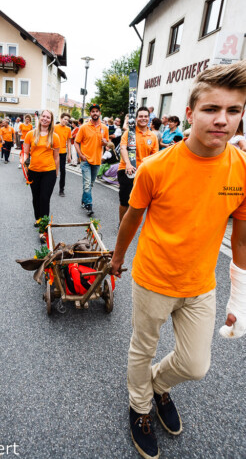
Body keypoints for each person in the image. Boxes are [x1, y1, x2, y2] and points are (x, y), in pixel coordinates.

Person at [110, 61, 246, 459]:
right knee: (143, 349)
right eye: (211, 109)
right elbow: (131, 219)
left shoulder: (241, 169)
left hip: (201, 286)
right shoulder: (155, 168)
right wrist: (117, 262)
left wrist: (239, 298)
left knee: (195, 364)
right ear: (190, 113)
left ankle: (155, 384)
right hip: (153, 279)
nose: (222, 120)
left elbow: (240, 240)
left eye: (234, 110)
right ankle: (139, 407)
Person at [21, 110, 60, 243]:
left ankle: (44, 230)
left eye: (48, 117)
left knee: (44, 198)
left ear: (51, 120)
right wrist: (23, 160)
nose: (45, 119)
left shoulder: (54, 136)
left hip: (49, 171)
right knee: (36, 198)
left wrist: (56, 174)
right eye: (43, 116)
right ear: (40, 118)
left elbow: (56, 158)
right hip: (33, 171)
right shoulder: (30, 134)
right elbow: (25, 153)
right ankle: (38, 219)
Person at [117, 107, 159, 224]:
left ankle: (131, 224)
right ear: (136, 118)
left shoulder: (153, 136)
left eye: (146, 116)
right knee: (125, 201)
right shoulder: (129, 133)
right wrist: (128, 164)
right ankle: (122, 225)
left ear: (149, 118)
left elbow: (154, 156)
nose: (143, 118)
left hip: (143, 172)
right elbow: (123, 148)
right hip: (126, 170)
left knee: (139, 203)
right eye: (140, 116)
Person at [74, 103, 109, 216]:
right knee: (87, 184)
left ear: (99, 113)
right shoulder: (84, 127)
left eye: (96, 111)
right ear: (90, 113)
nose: (95, 113)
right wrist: (80, 155)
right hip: (85, 160)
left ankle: (84, 200)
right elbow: (76, 142)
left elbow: (107, 144)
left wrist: (106, 144)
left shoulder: (104, 128)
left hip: (97, 161)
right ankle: (89, 205)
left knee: (91, 184)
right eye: (93, 111)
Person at [54, 112, 71, 196]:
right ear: (61, 119)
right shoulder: (54, 127)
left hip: (63, 152)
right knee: (52, 170)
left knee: (63, 171)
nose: (66, 121)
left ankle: (61, 190)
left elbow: (68, 142)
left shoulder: (68, 129)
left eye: (68, 120)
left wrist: (69, 155)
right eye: (65, 119)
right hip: (54, 152)